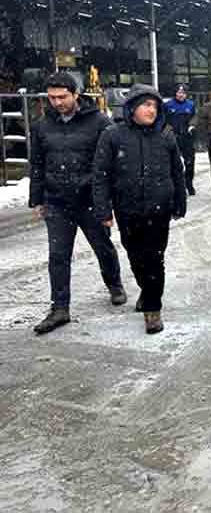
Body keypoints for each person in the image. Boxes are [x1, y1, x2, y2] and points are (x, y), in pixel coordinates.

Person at [28, 72, 126, 335]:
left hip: (89, 201)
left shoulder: (99, 123)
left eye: (62, 97)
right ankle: (60, 308)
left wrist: (106, 200)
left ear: (75, 95)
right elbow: (36, 163)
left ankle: (114, 283)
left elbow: (109, 165)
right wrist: (37, 199)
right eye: (52, 98)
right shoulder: (42, 125)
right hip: (56, 201)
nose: (57, 103)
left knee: (102, 247)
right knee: (58, 255)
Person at [93, 85, 186, 335]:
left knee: (155, 259)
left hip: (159, 210)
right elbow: (100, 175)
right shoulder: (113, 136)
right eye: (146, 105)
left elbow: (177, 171)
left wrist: (180, 200)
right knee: (136, 257)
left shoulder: (165, 135)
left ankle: (152, 309)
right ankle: (146, 291)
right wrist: (103, 210)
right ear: (132, 108)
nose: (151, 110)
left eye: (155, 106)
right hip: (127, 209)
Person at [163, 85, 196, 195]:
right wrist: (167, 130)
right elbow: (163, 120)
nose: (181, 95)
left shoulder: (190, 105)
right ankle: (175, 185)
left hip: (187, 137)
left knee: (190, 162)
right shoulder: (168, 105)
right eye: (179, 92)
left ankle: (189, 184)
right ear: (175, 93)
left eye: (183, 93)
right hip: (173, 137)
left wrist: (192, 125)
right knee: (173, 163)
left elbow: (195, 118)